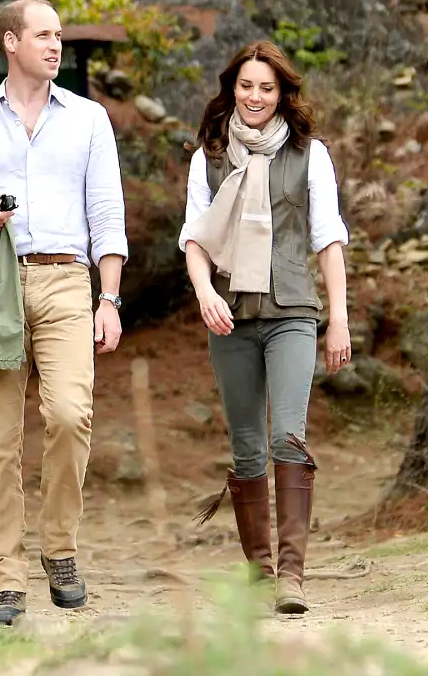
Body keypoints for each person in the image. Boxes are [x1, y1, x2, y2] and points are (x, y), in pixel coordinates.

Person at [0, 0, 129, 628]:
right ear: (11, 43)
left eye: (59, 35)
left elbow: (108, 215)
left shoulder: (89, 120)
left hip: (68, 281)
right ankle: (4, 577)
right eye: (43, 35)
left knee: (70, 415)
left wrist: (109, 297)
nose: (55, 45)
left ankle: (59, 548)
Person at [179, 40, 351, 616]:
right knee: (247, 446)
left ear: (282, 94)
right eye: (246, 87)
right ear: (233, 89)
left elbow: (327, 237)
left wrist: (338, 320)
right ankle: (259, 572)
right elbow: (195, 238)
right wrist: (204, 293)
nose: (255, 97)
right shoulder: (208, 156)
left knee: (287, 437)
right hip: (228, 316)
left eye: (267, 88)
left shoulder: (310, 154)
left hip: (293, 314)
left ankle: (292, 577)